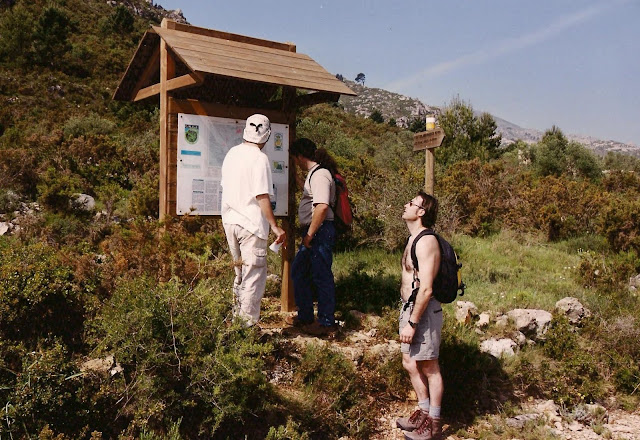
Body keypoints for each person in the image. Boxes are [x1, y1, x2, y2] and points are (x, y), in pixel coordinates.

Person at [221, 114, 286, 327]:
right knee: (253, 277)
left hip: (230, 220)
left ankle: (235, 321)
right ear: (266, 136)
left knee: (239, 274)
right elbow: (261, 196)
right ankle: (246, 330)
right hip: (251, 224)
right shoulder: (260, 158)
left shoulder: (232, 153)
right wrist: (275, 227)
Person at [396, 191, 444, 440]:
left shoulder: (426, 242)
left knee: (429, 366)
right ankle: (423, 414)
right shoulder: (412, 238)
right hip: (410, 310)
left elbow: (426, 289)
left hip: (423, 313)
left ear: (421, 212)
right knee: (410, 363)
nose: (405, 205)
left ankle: (433, 424)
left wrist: (413, 323)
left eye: (410, 203)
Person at [287, 138, 338, 336]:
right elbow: (311, 194)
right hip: (316, 231)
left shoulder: (320, 175)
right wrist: (295, 178)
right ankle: (306, 316)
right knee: (300, 271)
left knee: (321, 275)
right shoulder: (314, 175)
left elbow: (322, 206)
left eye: (295, 158)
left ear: (300, 156)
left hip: (320, 231)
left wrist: (309, 235)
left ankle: (326, 322)